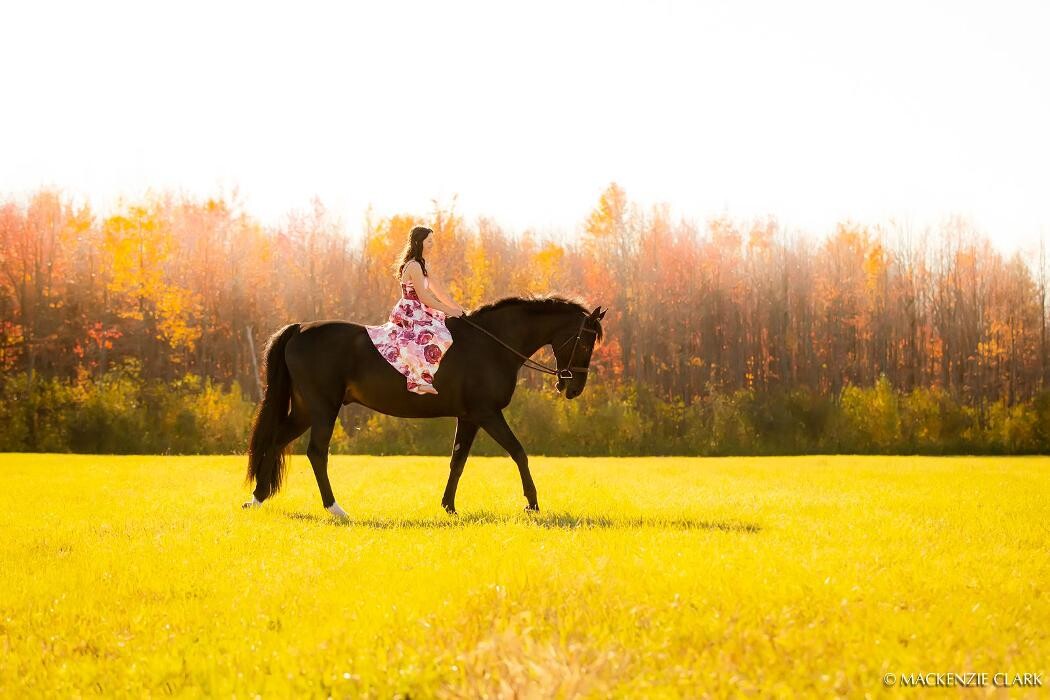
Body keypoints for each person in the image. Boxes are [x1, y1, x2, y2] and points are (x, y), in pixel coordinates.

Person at [365, 226, 466, 395]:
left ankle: (427, 376)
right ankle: (419, 380)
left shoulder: (423, 265)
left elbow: (439, 292)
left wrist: (458, 309)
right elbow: (424, 297)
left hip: (422, 310)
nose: (433, 244)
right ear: (420, 242)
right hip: (411, 310)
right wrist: (448, 310)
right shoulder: (413, 266)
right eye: (429, 241)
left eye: (432, 241)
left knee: (444, 333)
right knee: (433, 336)